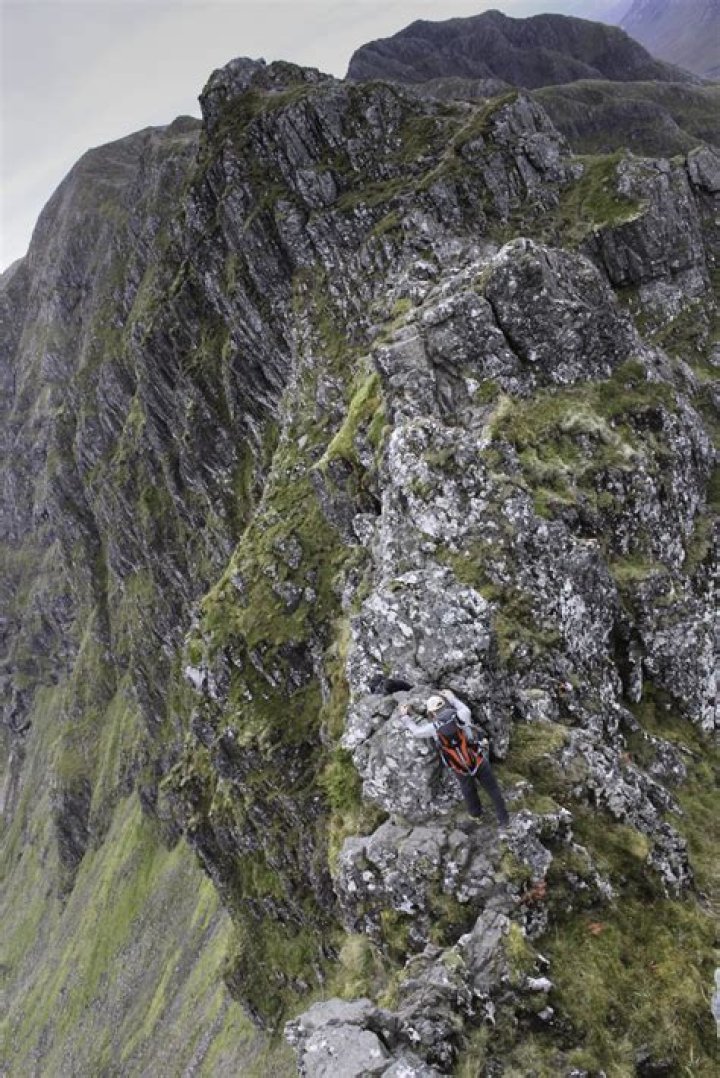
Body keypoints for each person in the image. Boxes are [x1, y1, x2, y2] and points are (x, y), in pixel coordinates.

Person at [399, 689, 509, 826]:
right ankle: (504, 820)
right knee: (493, 789)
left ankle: (476, 815)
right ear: (445, 705)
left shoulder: (433, 728)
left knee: (468, 790)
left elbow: (416, 732)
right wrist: (452, 698)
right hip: (477, 759)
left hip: (458, 767)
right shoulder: (462, 715)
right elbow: (464, 708)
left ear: (432, 713)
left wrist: (405, 717)